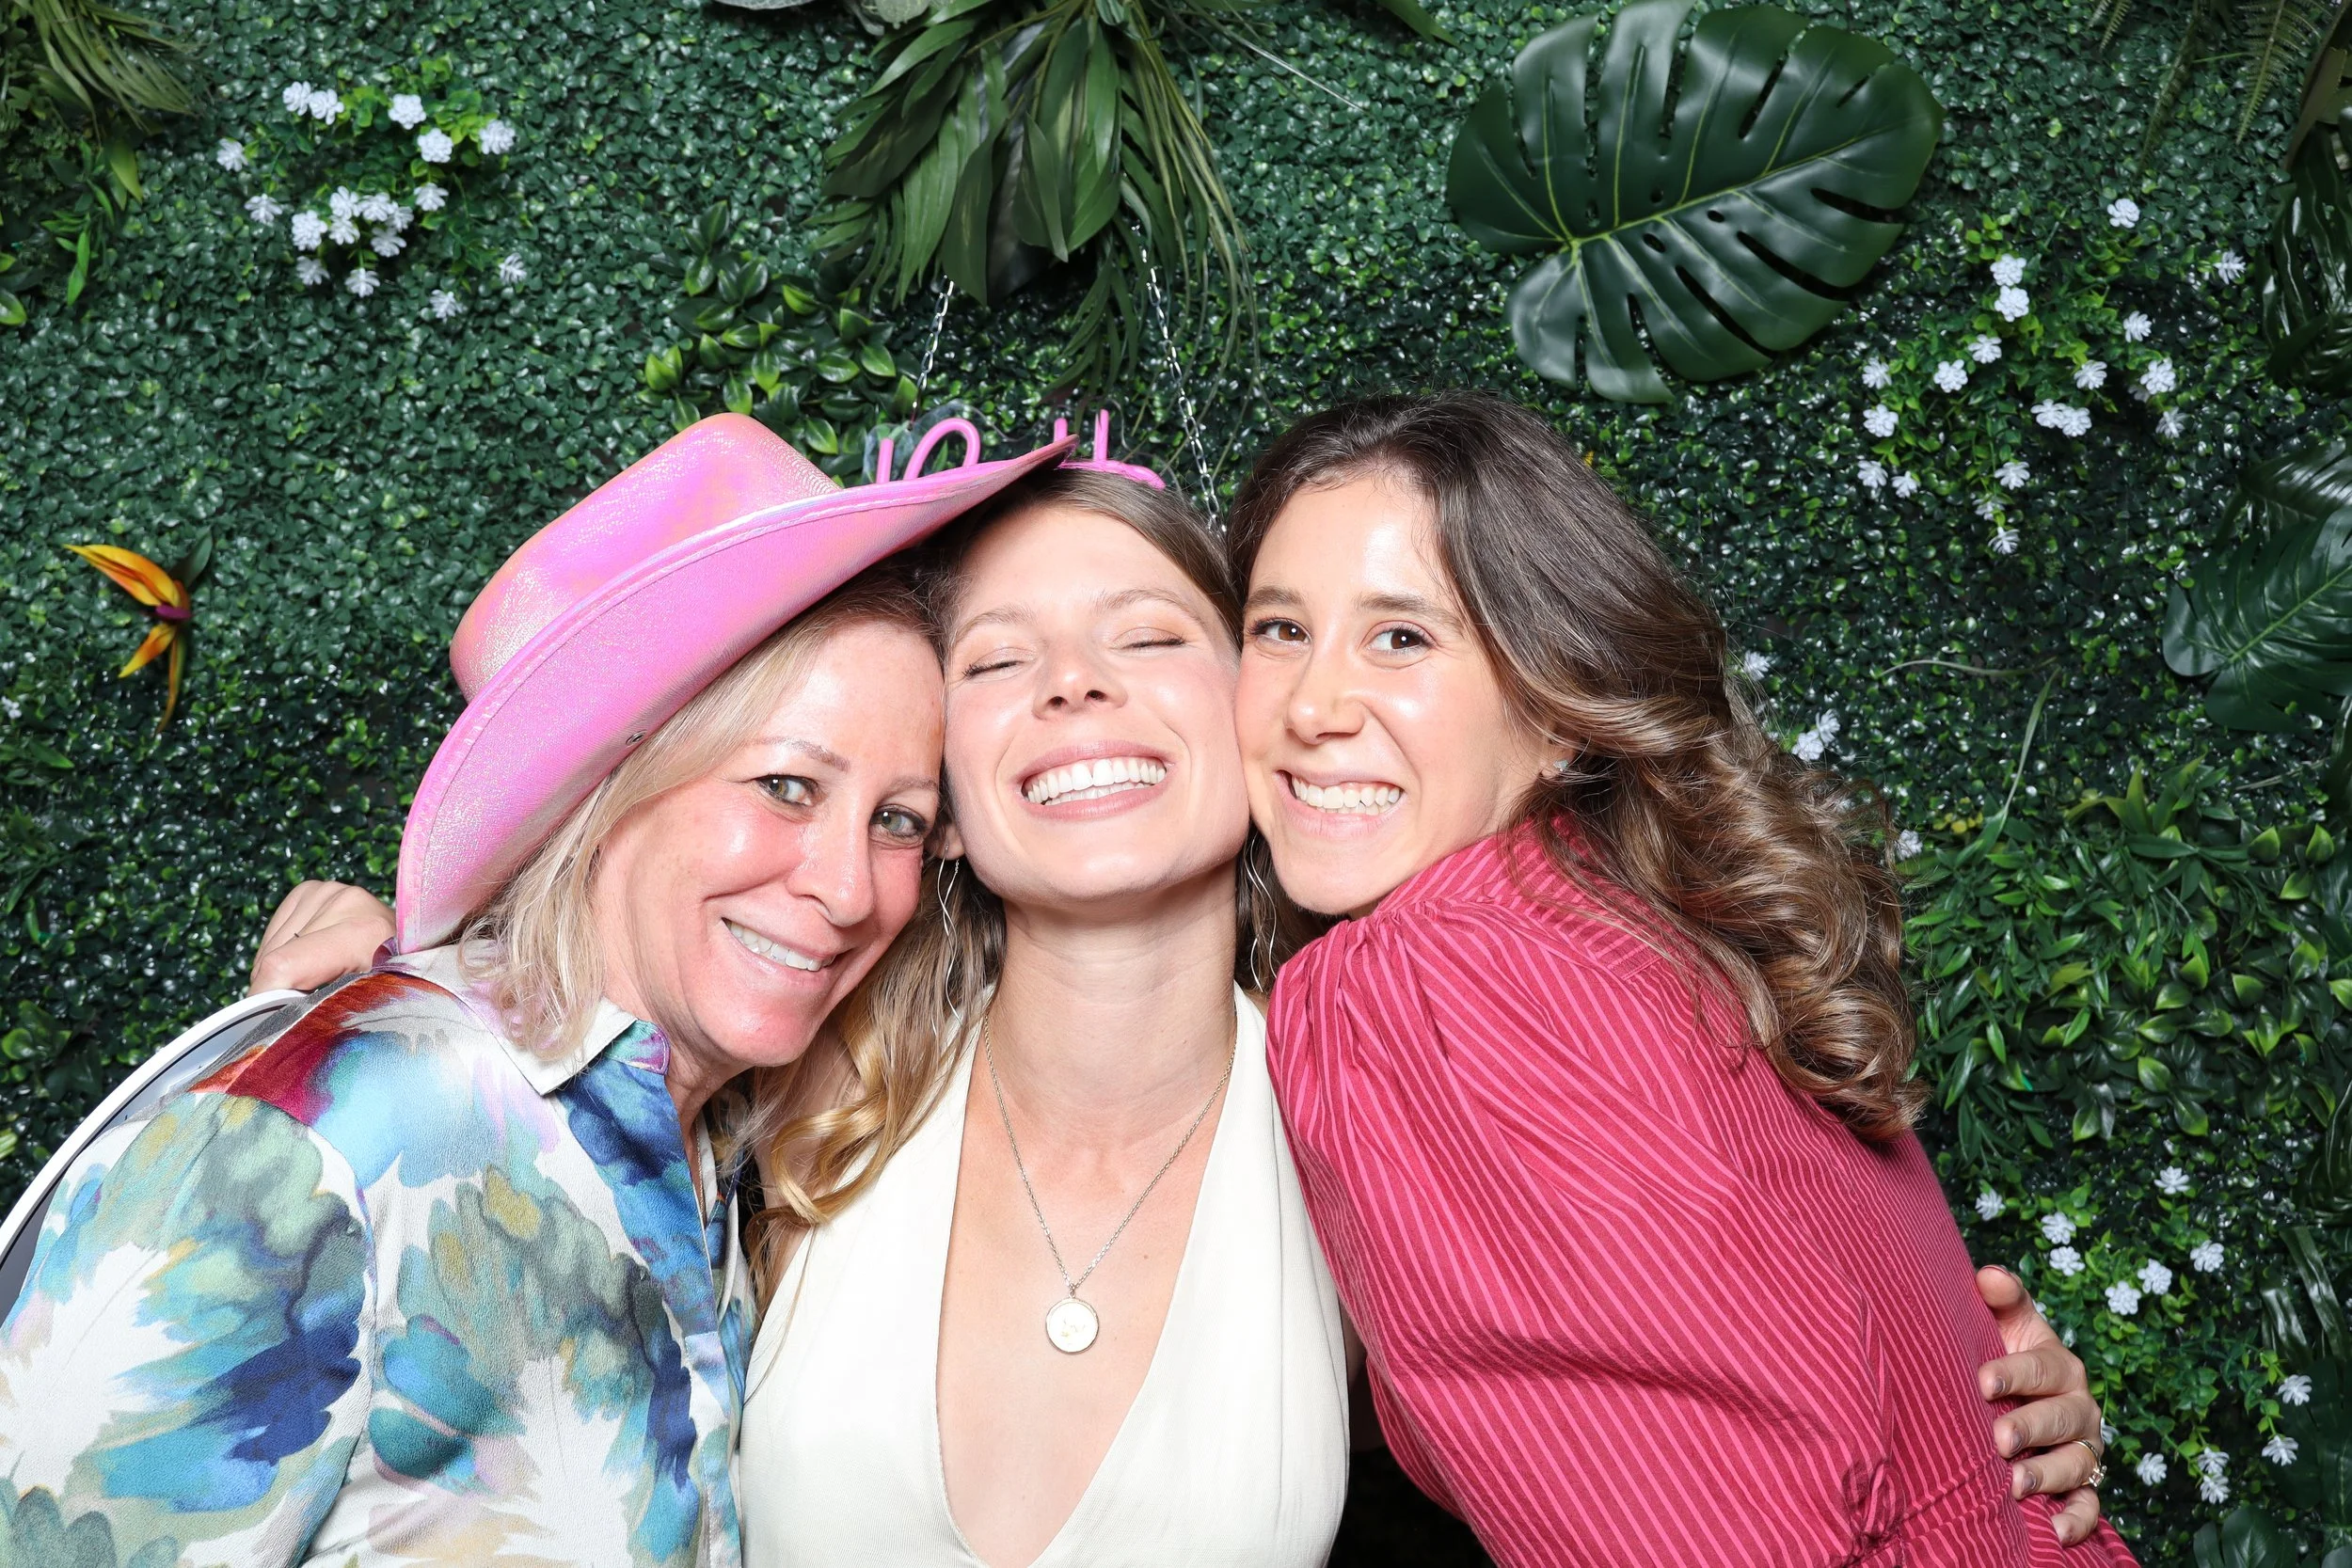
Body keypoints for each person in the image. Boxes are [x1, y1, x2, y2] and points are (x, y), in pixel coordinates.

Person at [251, 444, 2115, 1566]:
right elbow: (495, 1201)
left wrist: (1999, 1436)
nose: (1074, 686)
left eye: (1151, 635)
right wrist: (340, 1027)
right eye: (999, 660)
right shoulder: (785, 1090)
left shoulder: (1396, 1092)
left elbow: (1722, 1343)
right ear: (940, 789)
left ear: (1252, 716)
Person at [0, 412, 1064, 1568]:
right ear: (611, 785)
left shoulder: (712, 1146)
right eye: (786, 786)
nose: (850, 887)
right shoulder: (318, 1138)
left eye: (898, 819)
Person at [1228, 389, 2134, 1564]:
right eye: (1278, 628)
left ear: (1558, 702)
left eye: (1402, 636)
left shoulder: (1417, 980)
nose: (1311, 706)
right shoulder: (1655, 920)